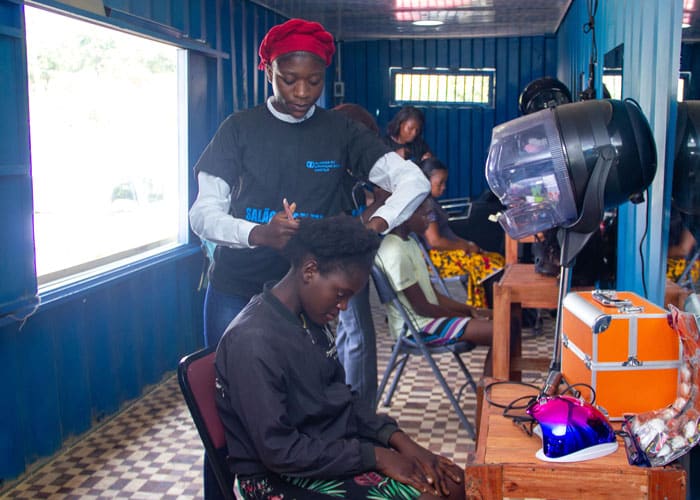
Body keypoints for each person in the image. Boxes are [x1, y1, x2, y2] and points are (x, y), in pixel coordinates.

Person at [189, 19, 430, 498]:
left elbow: (413, 182)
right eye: (288, 78)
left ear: (325, 75)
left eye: (313, 80)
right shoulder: (239, 130)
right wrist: (257, 233)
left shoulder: (339, 131)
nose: (301, 92)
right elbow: (202, 214)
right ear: (267, 72)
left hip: (308, 293)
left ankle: (301, 481)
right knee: (228, 414)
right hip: (238, 287)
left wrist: (372, 226)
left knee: (310, 399)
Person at [215, 215, 465, 500]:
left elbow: (341, 399)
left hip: (326, 447)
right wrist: (376, 457)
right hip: (276, 478)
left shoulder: (308, 321)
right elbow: (280, 451)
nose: (343, 306)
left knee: (455, 484)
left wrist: (398, 440)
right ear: (309, 271)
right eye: (340, 294)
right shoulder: (253, 341)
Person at [375, 198, 503, 377]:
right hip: (417, 328)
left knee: (505, 321)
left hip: (426, 320)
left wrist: (471, 310)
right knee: (501, 332)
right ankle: (491, 397)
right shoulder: (394, 251)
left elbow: (432, 295)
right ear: (407, 215)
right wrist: (463, 316)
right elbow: (422, 308)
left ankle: (494, 390)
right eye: (426, 214)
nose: (429, 219)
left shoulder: (409, 242)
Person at [331, 103, 389, 410]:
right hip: (341, 260)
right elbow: (341, 228)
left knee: (348, 331)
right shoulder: (332, 175)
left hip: (347, 260)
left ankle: (346, 403)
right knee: (359, 336)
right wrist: (379, 203)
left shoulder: (347, 174)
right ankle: (361, 415)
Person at [418, 157, 504, 308]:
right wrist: (465, 246)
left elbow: (447, 234)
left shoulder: (431, 201)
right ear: (425, 181)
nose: (444, 187)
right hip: (437, 259)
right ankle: (490, 311)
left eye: (445, 182)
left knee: (495, 259)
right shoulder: (427, 205)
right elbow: (435, 241)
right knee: (491, 263)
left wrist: (467, 244)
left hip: (445, 253)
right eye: (440, 183)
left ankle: (491, 310)